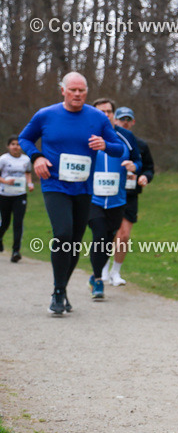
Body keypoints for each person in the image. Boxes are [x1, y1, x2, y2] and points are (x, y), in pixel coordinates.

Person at [18, 72, 126, 314]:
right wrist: (37, 157)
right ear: (63, 90)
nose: (77, 94)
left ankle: (62, 288)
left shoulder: (98, 117)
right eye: (73, 90)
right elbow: (25, 138)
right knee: (63, 233)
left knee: (74, 243)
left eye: (82, 90)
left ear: (86, 92)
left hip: (84, 187)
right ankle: (57, 292)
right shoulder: (46, 115)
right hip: (54, 184)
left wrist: (105, 145)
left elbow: (119, 149)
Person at [86, 100, 140, 300]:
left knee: (108, 241)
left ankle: (95, 274)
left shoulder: (126, 137)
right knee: (99, 236)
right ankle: (99, 279)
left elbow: (139, 160)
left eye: (109, 111)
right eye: (102, 112)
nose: (106, 115)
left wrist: (134, 166)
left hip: (117, 200)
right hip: (93, 199)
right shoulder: (85, 135)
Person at [104, 106, 154, 286]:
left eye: (128, 119)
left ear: (132, 122)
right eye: (121, 118)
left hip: (130, 194)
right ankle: (103, 268)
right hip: (109, 192)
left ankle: (115, 272)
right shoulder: (107, 140)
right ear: (115, 121)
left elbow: (148, 168)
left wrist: (144, 177)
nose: (125, 122)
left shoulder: (139, 145)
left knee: (124, 235)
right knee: (108, 233)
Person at [0, 135, 34, 262]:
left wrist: (30, 184)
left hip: (20, 195)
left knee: (18, 222)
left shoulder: (25, 159)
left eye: (18, 144)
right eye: (13, 144)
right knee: (5, 222)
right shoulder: (3, 159)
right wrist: (5, 181)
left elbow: (28, 173)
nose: (16, 147)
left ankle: (16, 251)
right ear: (8, 146)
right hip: (4, 194)